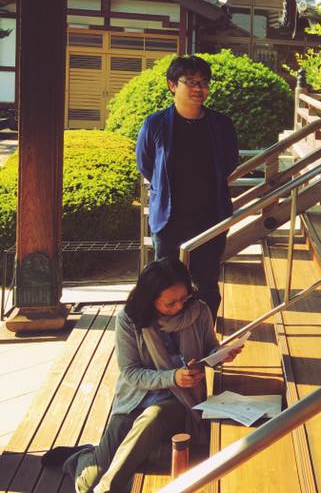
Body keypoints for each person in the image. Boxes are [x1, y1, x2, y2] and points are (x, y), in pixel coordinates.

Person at [41, 258, 243, 492]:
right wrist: (171, 377)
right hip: (134, 400)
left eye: (183, 298)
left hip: (180, 399)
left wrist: (220, 355)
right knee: (88, 482)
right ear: (150, 298)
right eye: (170, 303)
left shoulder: (199, 311)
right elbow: (130, 372)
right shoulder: (129, 319)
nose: (179, 306)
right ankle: (82, 457)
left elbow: (209, 347)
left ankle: (105, 489)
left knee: (154, 417)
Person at [136, 55, 239, 316]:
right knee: (165, 285)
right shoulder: (156, 124)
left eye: (204, 82)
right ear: (172, 85)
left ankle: (205, 334)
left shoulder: (221, 125)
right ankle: (168, 336)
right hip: (169, 219)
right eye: (190, 81)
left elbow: (229, 162)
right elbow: (146, 164)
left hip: (210, 217)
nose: (198, 88)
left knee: (207, 284)